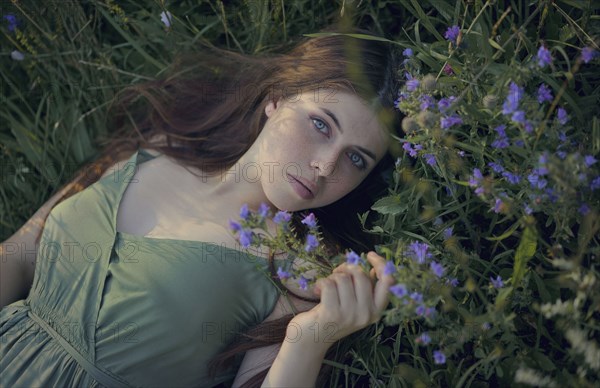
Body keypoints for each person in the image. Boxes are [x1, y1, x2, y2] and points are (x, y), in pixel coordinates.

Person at [0, 24, 402, 387]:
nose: (325, 165)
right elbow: (18, 256)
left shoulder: (298, 275)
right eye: (320, 124)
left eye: (355, 159)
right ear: (277, 99)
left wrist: (308, 341)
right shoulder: (154, 150)